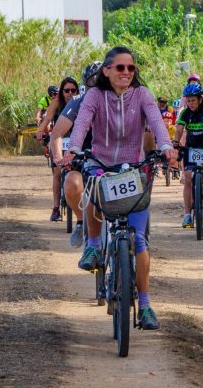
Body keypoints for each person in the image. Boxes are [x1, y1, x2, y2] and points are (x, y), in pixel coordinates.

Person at [62, 46, 177, 330]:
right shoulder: (94, 96)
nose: (126, 73)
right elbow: (82, 124)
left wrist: (166, 147)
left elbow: (157, 123)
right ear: (107, 71)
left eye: (131, 68)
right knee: (92, 186)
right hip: (100, 162)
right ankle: (92, 246)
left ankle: (147, 306)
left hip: (134, 168)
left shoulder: (143, 95)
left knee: (139, 241)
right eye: (120, 68)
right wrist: (74, 148)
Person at [50, 62, 101, 247]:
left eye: (100, 81)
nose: (95, 85)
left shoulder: (121, 99)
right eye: (91, 82)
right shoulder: (78, 101)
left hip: (115, 157)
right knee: (71, 184)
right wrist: (58, 158)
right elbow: (56, 133)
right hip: (84, 155)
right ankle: (81, 221)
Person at [174, 83, 203, 228]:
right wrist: (175, 142)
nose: (190, 103)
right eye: (188, 101)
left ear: (200, 99)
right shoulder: (185, 113)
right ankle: (187, 215)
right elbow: (179, 129)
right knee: (188, 176)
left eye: (193, 100)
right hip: (191, 148)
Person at [38, 76, 79, 221]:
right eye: (66, 90)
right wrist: (40, 131)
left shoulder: (80, 102)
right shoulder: (56, 102)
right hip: (59, 139)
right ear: (61, 91)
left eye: (73, 90)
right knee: (57, 173)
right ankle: (56, 208)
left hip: (76, 141)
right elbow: (47, 119)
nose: (69, 93)